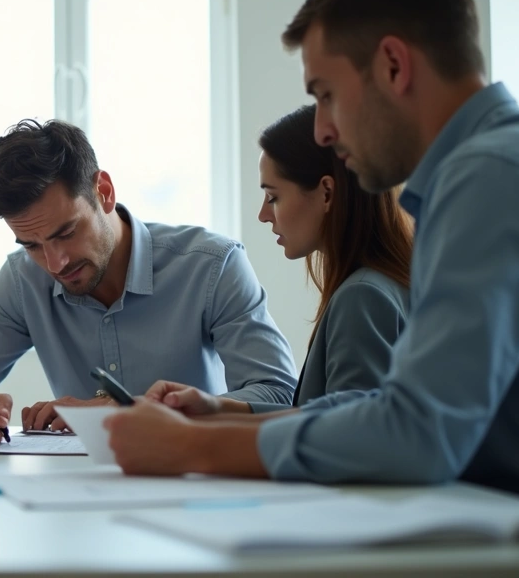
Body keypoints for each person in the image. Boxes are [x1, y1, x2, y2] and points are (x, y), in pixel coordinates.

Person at [104, 0, 519, 501]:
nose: (323, 130)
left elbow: (418, 432)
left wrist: (190, 449)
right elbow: (386, 406)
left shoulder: (491, 176)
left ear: (394, 66)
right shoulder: (506, 163)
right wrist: (213, 421)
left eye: (326, 94)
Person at [0, 118, 297, 445]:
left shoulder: (213, 267)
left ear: (104, 192)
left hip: (195, 486)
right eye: (32, 245)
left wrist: (131, 409)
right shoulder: (22, 280)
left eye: (66, 232)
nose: (54, 263)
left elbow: (280, 396)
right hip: (79, 503)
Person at [147, 105, 412, 417]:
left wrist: (193, 436)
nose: (262, 214)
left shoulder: (362, 296)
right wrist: (215, 408)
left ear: (326, 193)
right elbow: (325, 423)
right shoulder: (388, 284)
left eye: (273, 197)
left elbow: (346, 443)